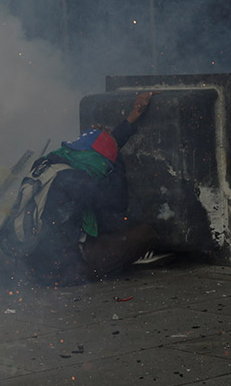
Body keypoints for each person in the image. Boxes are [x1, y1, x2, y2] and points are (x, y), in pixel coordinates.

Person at [23, 91, 166, 286]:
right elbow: (118, 201)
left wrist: (134, 114)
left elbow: (100, 153)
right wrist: (116, 159)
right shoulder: (76, 181)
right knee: (144, 233)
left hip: (32, 263)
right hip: (64, 270)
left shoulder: (49, 163)